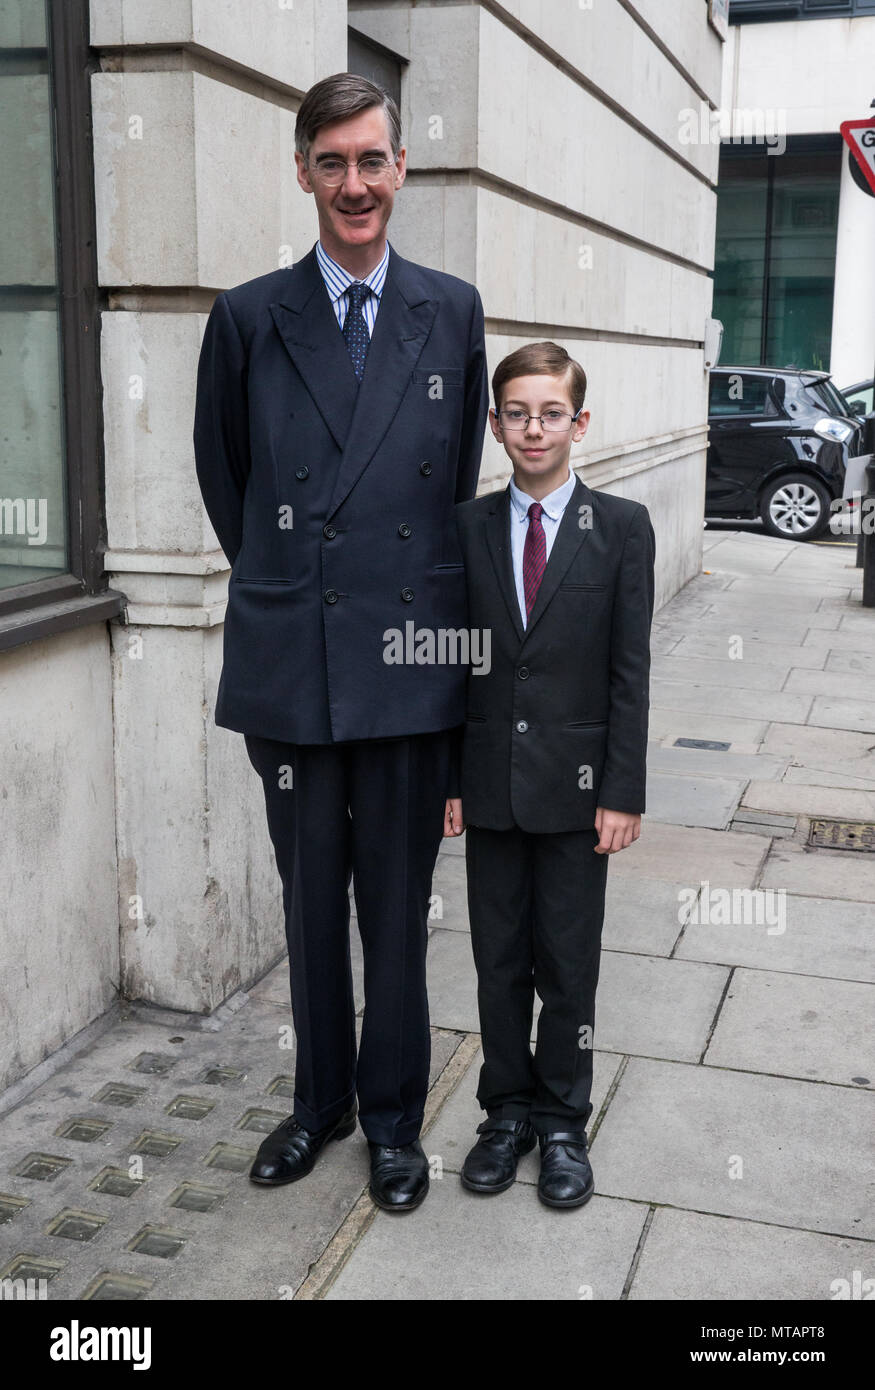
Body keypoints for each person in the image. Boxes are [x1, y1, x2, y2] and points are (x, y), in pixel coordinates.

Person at [193, 72, 489, 1213]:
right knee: (308, 902)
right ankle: (315, 1104)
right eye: (333, 162)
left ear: (400, 168)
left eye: (373, 160)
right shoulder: (247, 315)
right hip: (295, 665)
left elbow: (455, 493)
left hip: (410, 667)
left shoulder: (450, 311)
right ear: (303, 169)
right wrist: (289, 578)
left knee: (398, 914)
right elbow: (231, 482)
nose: (354, 183)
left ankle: (391, 1121)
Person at [448, 341, 655, 1208]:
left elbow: (628, 671)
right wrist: (451, 780)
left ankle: (563, 1119)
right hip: (491, 783)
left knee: (567, 961)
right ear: (496, 426)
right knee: (497, 960)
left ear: (579, 423)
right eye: (517, 413)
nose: (534, 429)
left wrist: (621, 789)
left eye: (550, 413)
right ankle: (505, 1114)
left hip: (577, 795)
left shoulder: (619, 528)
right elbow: (452, 666)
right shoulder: (464, 529)